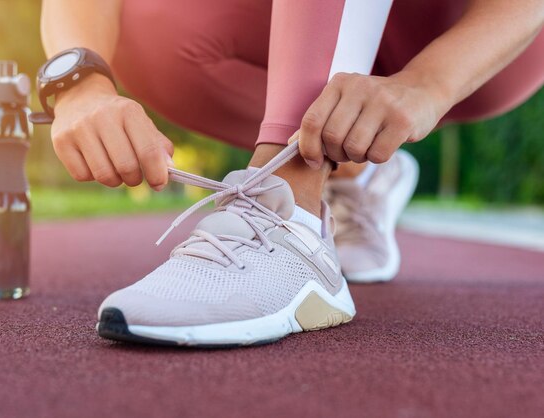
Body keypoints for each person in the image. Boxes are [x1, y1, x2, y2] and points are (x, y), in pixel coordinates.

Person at [38, 0, 544, 346]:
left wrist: (428, 83)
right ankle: (350, 176)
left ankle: (290, 212)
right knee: (147, 26)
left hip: (476, 27)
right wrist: (81, 85)